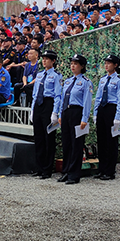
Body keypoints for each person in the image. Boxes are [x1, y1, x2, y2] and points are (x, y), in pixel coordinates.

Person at [58, 54, 93, 185]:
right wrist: (60, 114)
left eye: (76, 64)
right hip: (66, 111)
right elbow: (62, 99)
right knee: (66, 143)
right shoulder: (67, 81)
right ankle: (66, 171)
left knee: (76, 144)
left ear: (82, 66)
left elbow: (87, 101)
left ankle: (74, 173)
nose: (73, 66)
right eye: (72, 63)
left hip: (77, 113)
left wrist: (85, 118)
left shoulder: (85, 82)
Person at [93, 55, 120, 180]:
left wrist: (117, 117)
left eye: (109, 63)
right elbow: (98, 97)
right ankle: (101, 169)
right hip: (102, 109)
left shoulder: (119, 80)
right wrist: (95, 113)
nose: (106, 65)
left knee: (111, 142)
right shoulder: (103, 80)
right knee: (101, 140)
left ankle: (110, 171)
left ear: (116, 65)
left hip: (112, 109)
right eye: (105, 63)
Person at [30, 50, 62, 179]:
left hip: (49, 104)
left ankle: (47, 169)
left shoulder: (56, 76)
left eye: (47, 59)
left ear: (53, 61)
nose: (44, 61)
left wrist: (55, 112)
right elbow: (35, 93)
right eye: (43, 59)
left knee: (49, 138)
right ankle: (39, 167)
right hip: (38, 103)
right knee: (38, 137)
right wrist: (32, 109)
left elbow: (57, 95)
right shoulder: (39, 75)